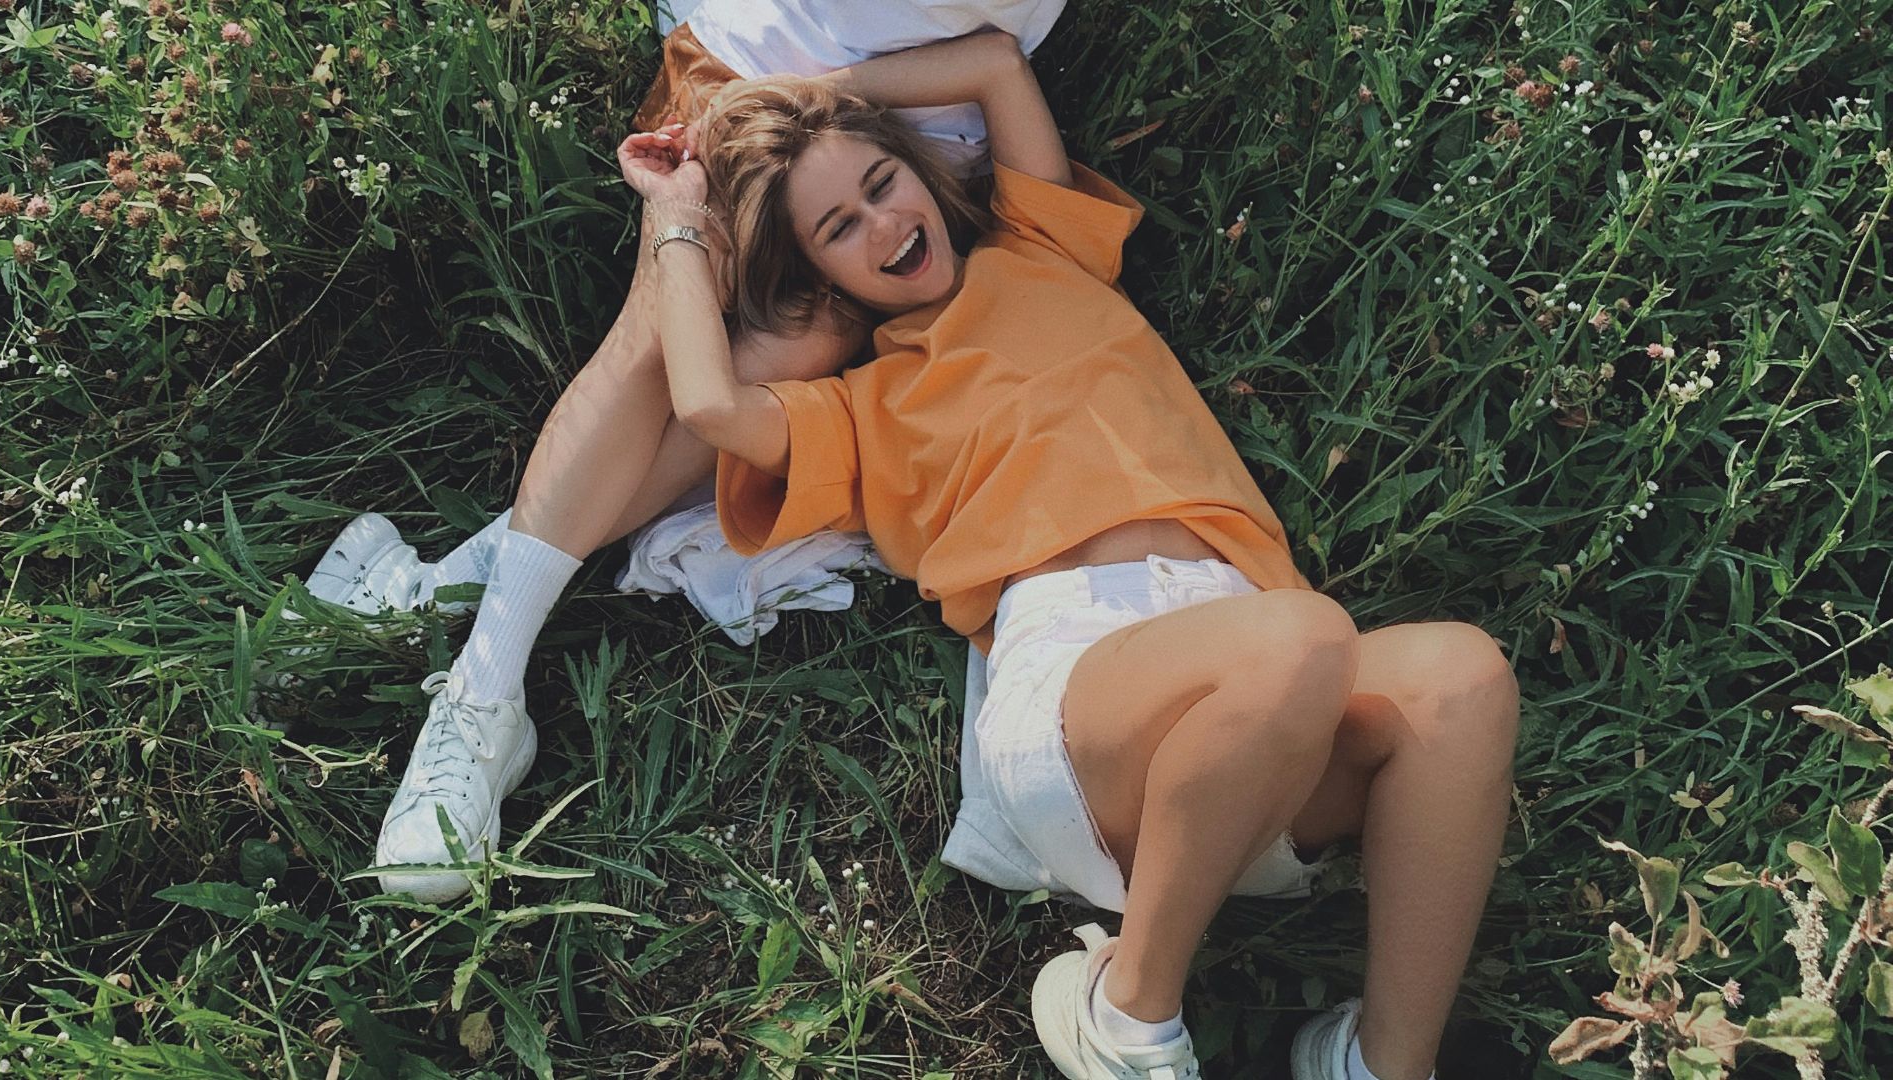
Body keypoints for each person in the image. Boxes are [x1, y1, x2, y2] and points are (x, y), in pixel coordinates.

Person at [624, 30, 1520, 1080]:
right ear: (815, 273)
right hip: (1081, 710)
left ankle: (1379, 1064)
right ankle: (1129, 1008)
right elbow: (711, 405)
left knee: (1462, 677)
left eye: (883, 182)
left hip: (1257, 729)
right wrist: (678, 215)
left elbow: (998, 65)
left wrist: (819, 97)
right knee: (1305, 638)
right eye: (839, 227)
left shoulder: (1044, 248)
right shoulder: (862, 405)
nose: (885, 223)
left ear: (919, 169)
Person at [304, 1, 1067, 904]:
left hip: (909, 138)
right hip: (753, 73)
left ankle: (439, 586)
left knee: (802, 343)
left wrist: (815, 110)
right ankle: (483, 692)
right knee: (660, 336)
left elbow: (989, 58)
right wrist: (752, 119)